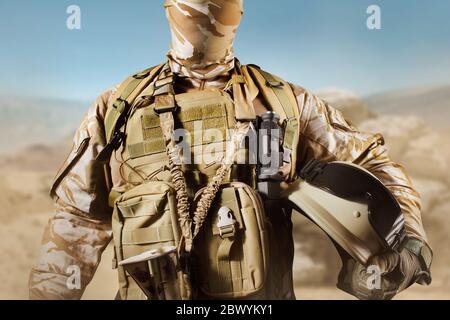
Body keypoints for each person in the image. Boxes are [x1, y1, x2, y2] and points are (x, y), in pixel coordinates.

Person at [29, 0, 432, 300]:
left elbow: (372, 163)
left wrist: (408, 240)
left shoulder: (287, 104)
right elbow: (77, 223)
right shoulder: (119, 108)